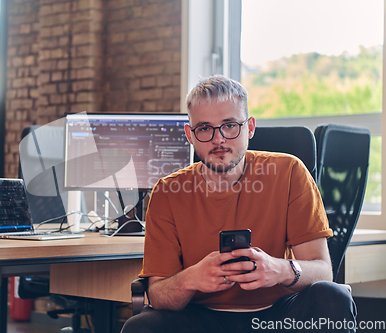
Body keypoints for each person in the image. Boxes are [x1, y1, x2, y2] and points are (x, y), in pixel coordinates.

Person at [122, 75, 356, 332]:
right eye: (204, 128)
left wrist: (281, 270)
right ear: (190, 134)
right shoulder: (167, 191)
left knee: (333, 298)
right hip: (201, 317)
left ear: (250, 127)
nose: (218, 139)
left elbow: (323, 272)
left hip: (279, 314)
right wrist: (192, 279)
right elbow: (157, 295)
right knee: (141, 326)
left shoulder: (290, 172)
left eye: (230, 125)